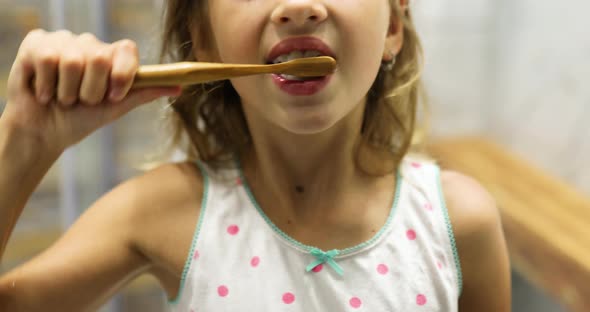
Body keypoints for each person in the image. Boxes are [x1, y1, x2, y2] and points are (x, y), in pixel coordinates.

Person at [0, 0, 511, 311]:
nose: (298, 7)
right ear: (203, 36)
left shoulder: (459, 223)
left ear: (393, 27)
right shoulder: (161, 213)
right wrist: (24, 142)